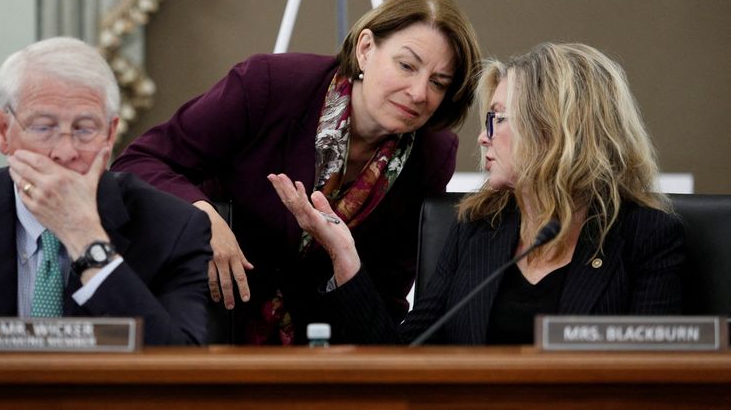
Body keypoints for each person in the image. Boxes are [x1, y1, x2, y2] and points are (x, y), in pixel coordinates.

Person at [111, 0, 482, 344]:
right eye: (406, 65)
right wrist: (202, 218)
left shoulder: (432, 154)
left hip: (323, 355)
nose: (419, 92)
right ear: (366, 48)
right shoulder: (270, 84)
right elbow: (138, 162)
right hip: (208, 323)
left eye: (438, 82)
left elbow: (387, 296)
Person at [269, 42, 685, 345]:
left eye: (499, 120)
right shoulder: (477, 228)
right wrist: (345, 257)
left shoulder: (645, 238)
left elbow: (652, 384)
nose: (484, 140)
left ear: (557, 131)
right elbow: (404, 359)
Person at [0, 37, 212, 347]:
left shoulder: (174, 228)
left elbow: (178, 370)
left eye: (84, 129)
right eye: (43, 127)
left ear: (109, 135)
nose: (65, 152)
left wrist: (85, 238)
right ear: (3, 132)